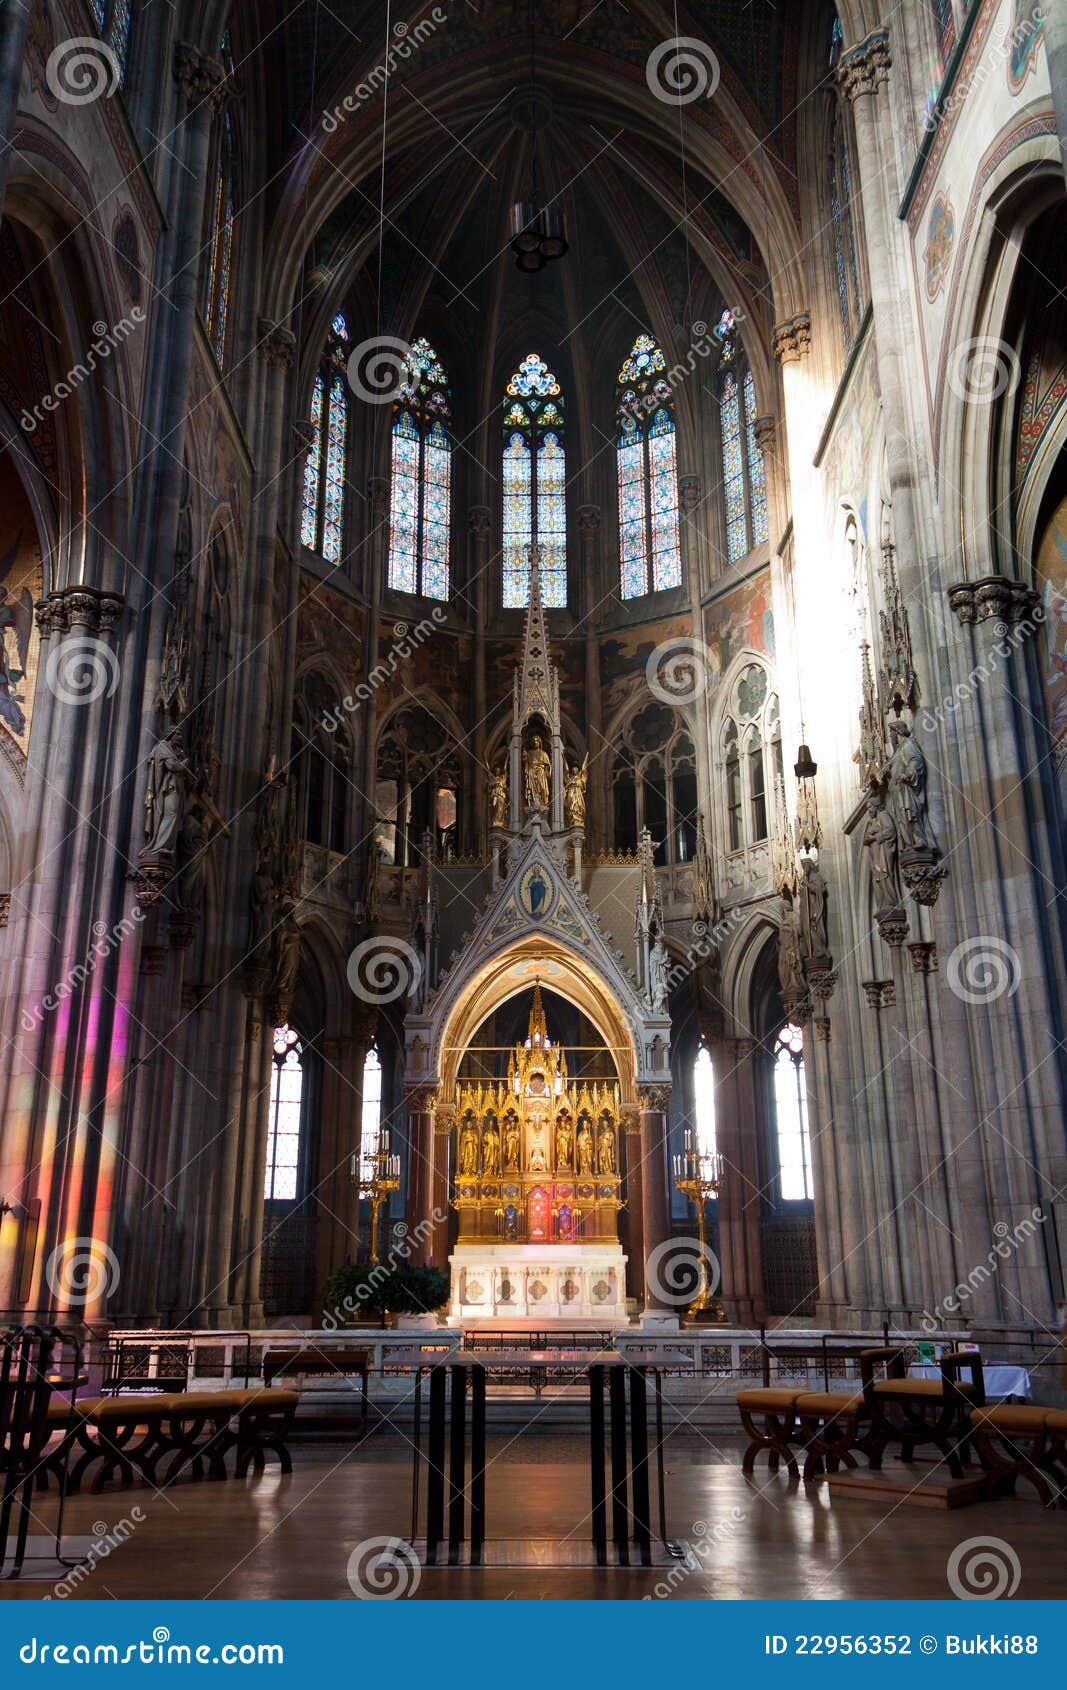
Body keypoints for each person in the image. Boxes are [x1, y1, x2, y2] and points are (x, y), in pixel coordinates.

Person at [523, 734, 551, 811]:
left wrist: (545, 768)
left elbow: (548, 765)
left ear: (539, 742)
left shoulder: (543, 753)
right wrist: (524, 756)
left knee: (542, 788)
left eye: (537, 741)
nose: (535, 742)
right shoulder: (529, 753)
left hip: (541, 773)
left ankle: (542, 803)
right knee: (533, 789)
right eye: (534, 741)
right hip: (531, 772)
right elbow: (525, 762)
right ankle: (533, 803)